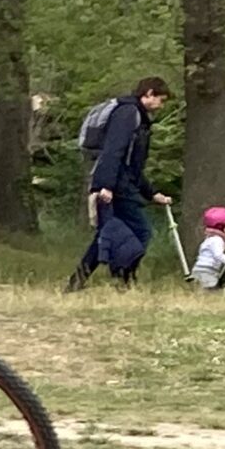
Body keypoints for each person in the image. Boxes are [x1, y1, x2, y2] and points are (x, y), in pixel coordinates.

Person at [66, 78, 173, 291]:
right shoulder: (127, 114)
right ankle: (123, 278)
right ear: (149, 93)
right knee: (141, 231)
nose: (161, 106)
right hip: (116, 184)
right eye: (160, 100)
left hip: (120, 181)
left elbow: (133, 165)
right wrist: (105, 185)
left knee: (106, 234)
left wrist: (151, 193)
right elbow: (114, 151)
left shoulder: (137, 117)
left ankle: (78, 281)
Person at [189, 206, 225, 291]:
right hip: (207, 270)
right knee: (210, 290)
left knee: (202, 289)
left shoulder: (209, 239)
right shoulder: (217, 240)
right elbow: (218, 255)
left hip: (199, 269)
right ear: (220, 227)